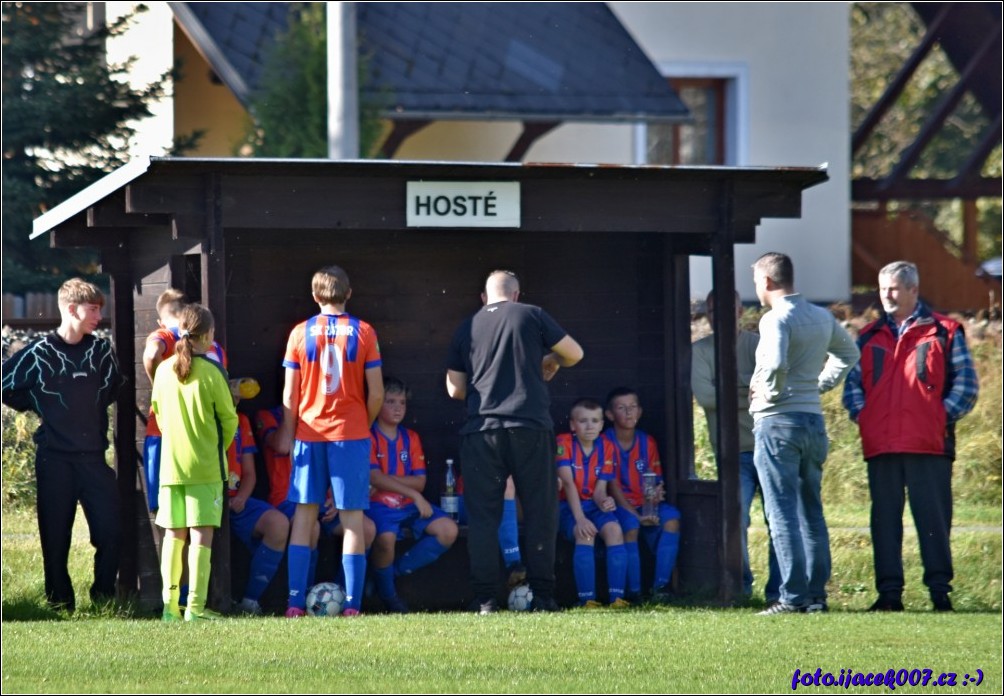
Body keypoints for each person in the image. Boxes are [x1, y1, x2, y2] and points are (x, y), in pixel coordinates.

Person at [842, 261, 978, 613]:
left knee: (933, 522)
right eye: (883, 288)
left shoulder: (945, 331)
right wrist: (866, 417)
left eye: (894, 288)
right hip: (882, 444)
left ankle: (939, 593)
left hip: (929, 445)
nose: (887, 295)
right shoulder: (868, 336)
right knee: (884, 523)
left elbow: (967, 387)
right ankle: (889, 594)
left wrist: (936, 418)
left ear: (913, 290)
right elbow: (852, 387)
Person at [446, 269, 583, 614]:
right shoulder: (532, 314)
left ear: (484, 297)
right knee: (540, 512)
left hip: (482, 431)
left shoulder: (467, 326)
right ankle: (544, 596)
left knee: (483, 518)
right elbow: (575, 353)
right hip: (529, 426)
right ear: (517, 295)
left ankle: (485, 599)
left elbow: (455, 389)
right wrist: (551, 359)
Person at [1, 278, 123, 612]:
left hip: (94, 458)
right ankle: (59, 604)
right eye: (93, 309)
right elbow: (5, 385)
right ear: (71, 309)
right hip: (54, 459)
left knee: (111, 532)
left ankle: (103, 599)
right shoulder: (40, 351)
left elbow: (114, 388)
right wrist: (38, 404)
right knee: (55, 539)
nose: (99, 316)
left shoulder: (101, 351)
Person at [749, 252, 859, 615]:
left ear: (767, 281)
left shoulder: (774, 318)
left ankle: (792, 597)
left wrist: (769, 393)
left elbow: (776, 362)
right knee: (811, 510)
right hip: (813, 421)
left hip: (778, 422)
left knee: (781, 511)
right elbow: (848, 353)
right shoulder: (821, 316)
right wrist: (820, 385)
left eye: (756, 281)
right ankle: (816, 596)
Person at [274, 265, 384, 618]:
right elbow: (377, 394)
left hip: (309, 434)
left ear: (314, 296)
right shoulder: (364, 331)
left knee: (304, 516)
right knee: (353, 519)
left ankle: (294, 603)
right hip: (350, 436)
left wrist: (291, 432)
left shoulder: (299, 332)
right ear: (348, 293)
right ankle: (352, 606)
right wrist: (362, 424)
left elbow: (289, 395)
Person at [691, 291, 780, 603]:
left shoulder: (759, 345)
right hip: (732, 453)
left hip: (769, 447)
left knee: (778, 520)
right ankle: (741, 588)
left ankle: (779, 592)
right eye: (712, 310)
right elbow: (707, 398)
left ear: (741, 311)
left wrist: (728, 390)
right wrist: (748, 390)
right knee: (735, 519)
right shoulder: (700, 351)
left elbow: (773, 392)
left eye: (726, 308)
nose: (717, 315)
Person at [151, 303, 238, 621]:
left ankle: (169, 608)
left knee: (173, 535)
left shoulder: (163, 371)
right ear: (209, 335)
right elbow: (229, 420)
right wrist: (214, 448)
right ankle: (196, 608)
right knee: (201, 536)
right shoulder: (214, 372)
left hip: (171, 468)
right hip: (205, 468)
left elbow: (158, 414)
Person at [254, 402, 375, 596]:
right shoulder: (267, 415)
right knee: (312, 528)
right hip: (288, 498)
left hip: (324, 500)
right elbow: (283, 445)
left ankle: (339, 595)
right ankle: (304, 596)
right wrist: (292, 411)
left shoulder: (323, 416)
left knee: (366, 529)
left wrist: (337, 496)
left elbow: (338, 456)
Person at [367, 376, 459, 613]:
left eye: (402, 403)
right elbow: (373, 478)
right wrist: (411, 492)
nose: (398, 408)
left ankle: (390, 574)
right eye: (390, 402)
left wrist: (386, 481)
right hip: (378, 505)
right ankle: (390, 597)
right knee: (385, 539)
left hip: (408, 505)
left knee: (448, 530)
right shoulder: (369, 435)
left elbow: (420, 481)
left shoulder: (411, 437)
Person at [142, 289, 227, 512]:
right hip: (204, 441)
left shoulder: (164, 335)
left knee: (168, 514)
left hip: (165, 436)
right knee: (201, 515)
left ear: (161, 321)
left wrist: (158, 387)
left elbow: (150, 354)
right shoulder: (214, 347)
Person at [602, 387, 681, 602]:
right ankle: (634, 593)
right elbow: (613, 488)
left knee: (672, 519)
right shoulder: (605, 442)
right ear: (610, 414)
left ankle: (660, 588)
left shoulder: (648, 442)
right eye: (622, 408)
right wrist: (636, 516)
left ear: (640, 411)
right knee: (631, 526)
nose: (629, 412)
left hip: (644, 504)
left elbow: (655, 480)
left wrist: (656, 494)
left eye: (633, 407)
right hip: (619, 506)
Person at [225, 378, 290, 616]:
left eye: (238, 397)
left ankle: (249, 601)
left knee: (278, 524)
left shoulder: (241, 421)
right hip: (207, 499)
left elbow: (249, 473)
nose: (236, 400)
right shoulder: (204, 419)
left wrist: (241, 497)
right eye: (232, 394)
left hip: (237, 501)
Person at [557, 398, 630, 608]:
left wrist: (604, 501)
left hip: (592, 505)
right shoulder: (563, 443)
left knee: (615, 530)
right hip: (568, 507)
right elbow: (568, 484)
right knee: (585, 534)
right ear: (573, 425)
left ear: (601, 425)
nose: (589, 426)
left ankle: (617, 599)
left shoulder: (606, 446)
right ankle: (587, 600)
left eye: (595, 421)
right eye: (583, 421)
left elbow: (599, 491)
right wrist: (580, 519)